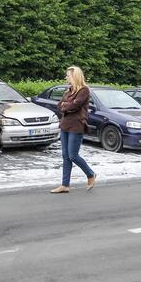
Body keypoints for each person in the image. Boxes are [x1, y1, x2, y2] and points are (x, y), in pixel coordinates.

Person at [51, 66, 97, 194]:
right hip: (65, 124)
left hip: (76, 125)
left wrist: (67, 105)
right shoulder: (69, 91)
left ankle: (90, 174)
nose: (66, 77)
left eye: (68, 75)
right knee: (65, 156)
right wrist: (67, 105)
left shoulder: (84, 90)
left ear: (74, 76)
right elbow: (60, 106)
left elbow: (75, 105)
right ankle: (65, 185)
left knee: (73, 155)